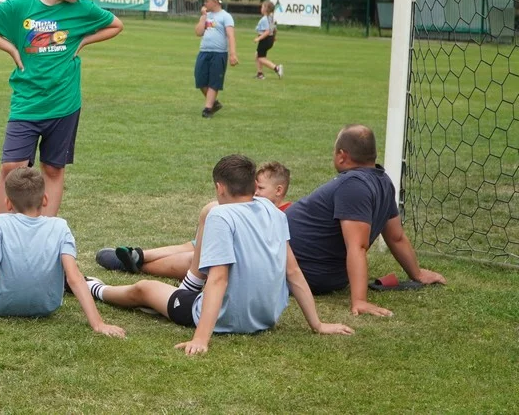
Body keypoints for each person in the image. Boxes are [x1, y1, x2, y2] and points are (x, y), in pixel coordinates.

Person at [85, 155, 354, 355]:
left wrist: (201, 338)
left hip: (225, 317)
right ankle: (187, 285)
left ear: (220, 187)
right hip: (267, 316)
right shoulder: (274, 211)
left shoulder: (221, 215)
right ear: (253, 185)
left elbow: (219, 279)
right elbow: (293, 272)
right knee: (204, 221)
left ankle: (94, 288)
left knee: (144, 289)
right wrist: (317, 324)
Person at [0, 0, 123, 216]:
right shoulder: (21, 6)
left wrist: (83, 40)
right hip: (27, 101)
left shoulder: (82, 9)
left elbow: (116, 25)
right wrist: (11, 48)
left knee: (52, 168)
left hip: (64, 102)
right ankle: (4, 228)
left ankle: (44, 232)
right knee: (12, 167)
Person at [0, 167, 126, 338]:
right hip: (46, 307)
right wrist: (98, 324)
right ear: (45, 199)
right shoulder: (60, 226)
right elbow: (74, 277)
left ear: (8, 203)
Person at [286, 124, 445, 316]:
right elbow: (396, 237)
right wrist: (417, 274)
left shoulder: (353, 186)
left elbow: (357, 246)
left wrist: (360, 301)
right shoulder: (383, 181)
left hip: (302, 272)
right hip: (324, 275)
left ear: (342, 155)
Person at [97, 162, 294, 282]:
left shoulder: (284, 215)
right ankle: (139, 255)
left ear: (278, 190)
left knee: (195, 258)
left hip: (237, 260)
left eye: (260, 188)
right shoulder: (255, 207)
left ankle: (134, 264)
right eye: (255, 187)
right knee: (192, 246)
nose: (255, 193)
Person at [194, 0, 237, 118]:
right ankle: (214, 103)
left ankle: (208, 109)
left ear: (215, 1)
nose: (205, 3)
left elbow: (231, 35)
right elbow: (198, 32)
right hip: (204, 52)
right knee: (200, 80)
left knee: (214, 81)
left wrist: (233, 54)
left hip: (218, 54)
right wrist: (203, 17)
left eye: (207, 0)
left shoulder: (226, 16)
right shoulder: (207, 15)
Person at [254, 0, 283, 79]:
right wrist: (274, 37)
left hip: (265, 40)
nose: (261, 8)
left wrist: (258, 38)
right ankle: (260, 74)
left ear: (266, 9)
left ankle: (276, 68)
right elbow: (274, 30)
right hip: (269, 39)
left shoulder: (264, 19)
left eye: (262, 6)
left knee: (261, 58)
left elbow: (267, 31)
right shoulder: (271, 18)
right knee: (257, 55)